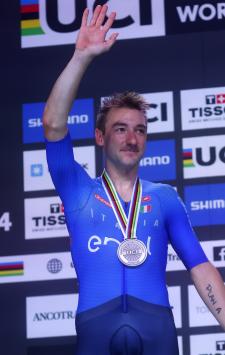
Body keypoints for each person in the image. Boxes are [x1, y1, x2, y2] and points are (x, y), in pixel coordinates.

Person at [43, 5, 225, 355]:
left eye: (140, 130)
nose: (131, 138)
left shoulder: (165, 198)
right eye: (121, 129)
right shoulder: (77, 189)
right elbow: (52, 124)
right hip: (97, 325)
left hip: (156, 326)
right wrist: (81, 56)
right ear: (99, 137)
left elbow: (199, 265)